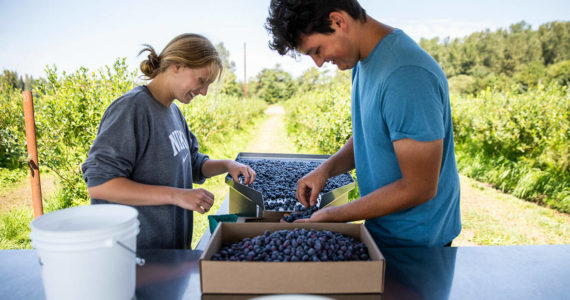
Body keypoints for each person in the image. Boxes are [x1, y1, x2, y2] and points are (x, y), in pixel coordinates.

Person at [266, 0, 461, 247]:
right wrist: (326, 169)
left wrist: (333, 215)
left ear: (338, 22)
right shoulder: (364, 61)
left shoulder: (406, 75)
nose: (318, 62)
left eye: (317, 50)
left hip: (418, 244)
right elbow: (369, 136)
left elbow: (419, 187)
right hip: (383, 230)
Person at [81, 33, 256, 249]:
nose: (203, 92)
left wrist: (228, 164)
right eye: (202, 81)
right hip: (136, 255)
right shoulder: (132, 109)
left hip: (169, 253)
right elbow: (100, 185)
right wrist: (177, 196)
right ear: (176, 65)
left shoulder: (173, 112)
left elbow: (192, 164)